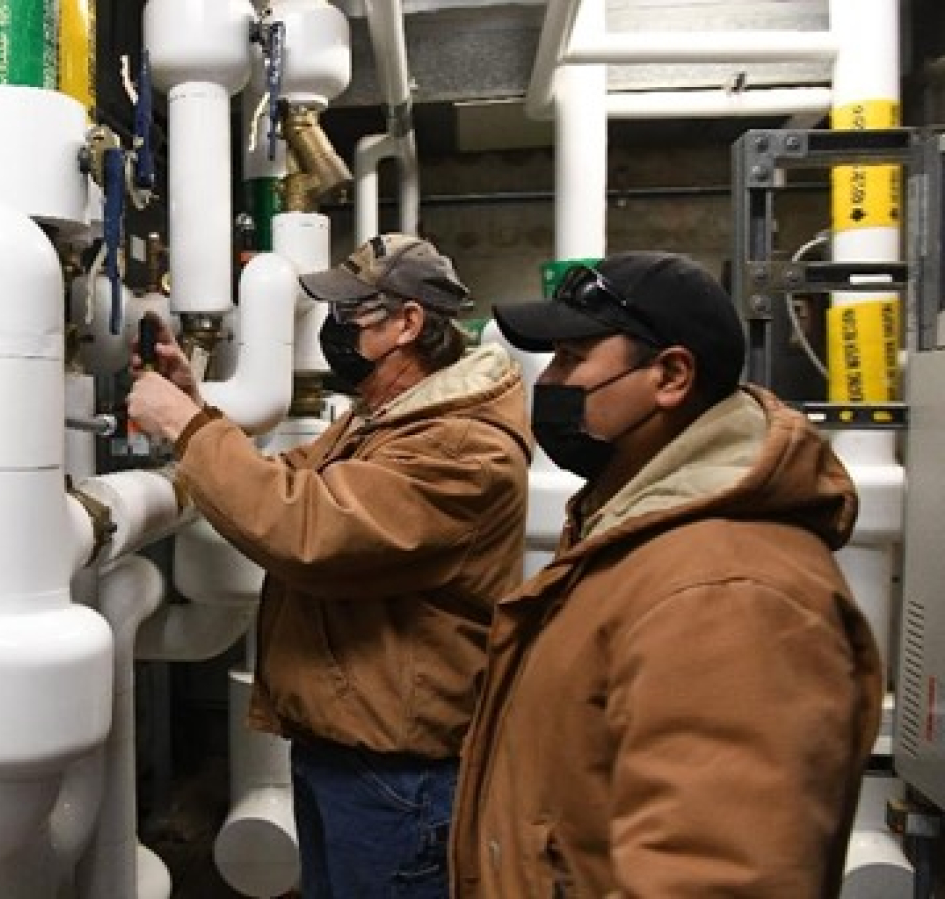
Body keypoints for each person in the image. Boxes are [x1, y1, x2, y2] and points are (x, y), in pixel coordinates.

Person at [451, 251, 884, 897]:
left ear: (671, 375)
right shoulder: (633, 536)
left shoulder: (730, 594)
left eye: (572, 357)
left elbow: (718, 875)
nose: (549, 381)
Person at [127, 233, 532, 898]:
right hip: (351, 750)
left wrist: (187, 430)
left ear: (407, 324)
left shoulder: (461, 448)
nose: (335, 330)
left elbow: (305, 527)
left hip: (400, 774)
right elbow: (289, 479)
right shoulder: (390, 417)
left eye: (352, 314)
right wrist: (197, 410)